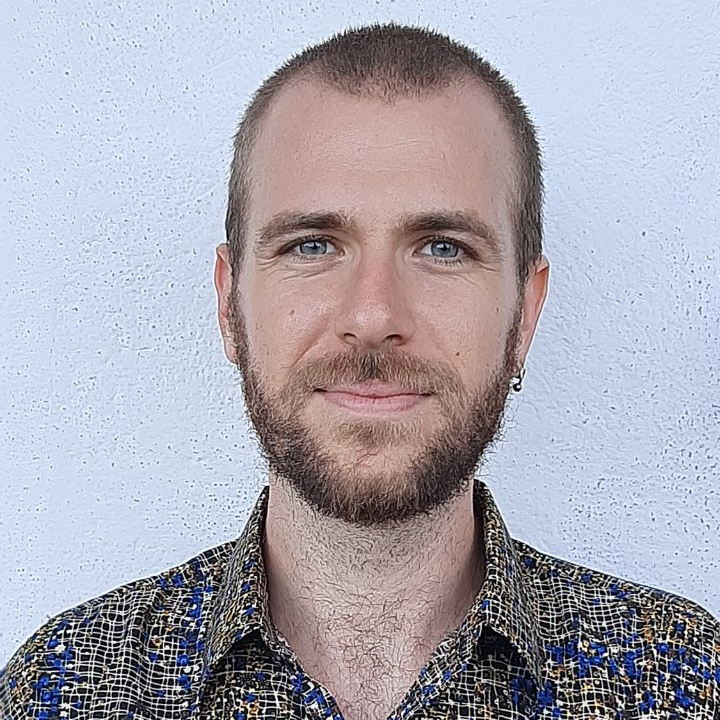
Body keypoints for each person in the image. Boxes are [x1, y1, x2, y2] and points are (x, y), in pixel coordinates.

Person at [2, 22, 718, 720]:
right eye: (313, 245)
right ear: (230, 303)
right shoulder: (61, 689)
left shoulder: (685, 680)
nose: (373, 315)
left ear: (524, 316)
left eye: (442, 248)